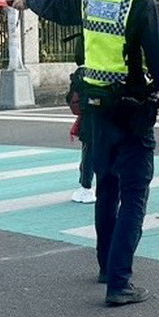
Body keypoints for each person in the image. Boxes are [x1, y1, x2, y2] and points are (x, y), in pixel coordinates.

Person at [9, 0, 159, 306]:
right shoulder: (143, 5)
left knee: (107, 189)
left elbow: (57, 8)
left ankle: (105, 266)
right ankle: (120, 283)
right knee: (133, 195)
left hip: (95, 111)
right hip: (131, 111)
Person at [64, 35, 96, 204]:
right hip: (109, 117)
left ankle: (86, 188)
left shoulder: (80, 73)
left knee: (88, 154)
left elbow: (71, 98)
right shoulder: (104, 68)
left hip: (89, 120)